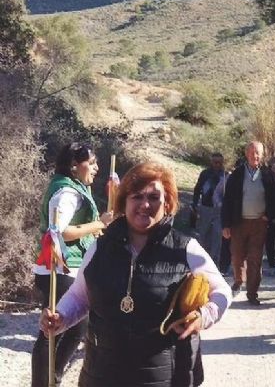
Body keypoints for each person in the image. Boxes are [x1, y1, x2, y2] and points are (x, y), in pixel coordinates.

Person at [39, 162, 232, 387]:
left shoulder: (186, 248)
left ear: (167, 202)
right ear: (124, 202)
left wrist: (203, 316)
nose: (145, 204)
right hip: (102, 374)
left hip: (162, 376)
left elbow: (222, 292)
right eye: (137, 197)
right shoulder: (100, 247)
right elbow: (80, 296)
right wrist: (60, 317)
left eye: (154, 197)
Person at [31, 142, 114, 387]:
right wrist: (100, 224)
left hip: (71, 267)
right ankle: (44, 382)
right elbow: (60, 231)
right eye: (92, 163)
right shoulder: (66, 193)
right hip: (59, 268)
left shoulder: (74, 188)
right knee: (52, 331)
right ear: (74, 165)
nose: (97, 168)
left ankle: (52, 378)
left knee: (76, 327)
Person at [222, 141, 275, 305]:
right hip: (238, 223)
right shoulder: (237, 175)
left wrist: (269, 215)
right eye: (252, 152)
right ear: (246, 154)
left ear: (262, 155)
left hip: (259, 224)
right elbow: (227, 201)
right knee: (237, 255)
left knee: (255, 258)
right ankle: (239, 281)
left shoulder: (268, 175)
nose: (255, 156)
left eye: (258, 153)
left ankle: (252, 293)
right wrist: (226, 224)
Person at [191, 152, 225, 260]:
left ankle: (214, 262)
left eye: (219, 162)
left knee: (217, 236)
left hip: (220, 209)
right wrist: (195, 204)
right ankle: (201, 259)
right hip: (205, 207)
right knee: (203, 234)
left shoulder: (224, 175)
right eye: (215, 162)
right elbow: (197, 189)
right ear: (211, 162)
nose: (217, 165)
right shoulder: (205, 174)